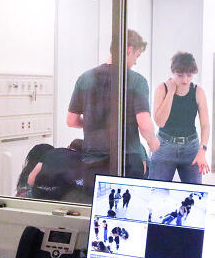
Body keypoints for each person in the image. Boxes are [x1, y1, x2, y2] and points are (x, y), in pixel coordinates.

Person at [68, 29, 160, 190]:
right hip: (127, 161)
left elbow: (71, 121)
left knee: (97, 210)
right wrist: (153, 143)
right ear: (129, 50)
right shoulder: (136, 80)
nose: (136, 62)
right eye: (137, 56)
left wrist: (93, 122)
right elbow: (144, 124)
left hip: (92, 161)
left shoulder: (85, 78)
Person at [148, 52, 211, 184]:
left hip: (191, 147)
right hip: (164, 146)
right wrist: (170, 93)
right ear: (173, 72)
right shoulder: (162, 89)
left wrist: (202, 150)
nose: (185, 80)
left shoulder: (198, 91)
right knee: (157, 192)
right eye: (180, 75)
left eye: (189, 75)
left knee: (193, 193)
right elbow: (160, 121)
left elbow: (205, 125)